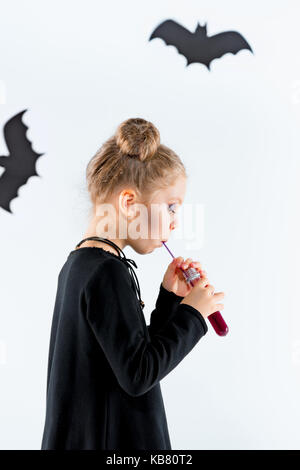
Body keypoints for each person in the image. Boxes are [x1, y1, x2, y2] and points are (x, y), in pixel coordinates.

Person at [40, 117, 225, 450]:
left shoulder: (80, 265)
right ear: (129, 204)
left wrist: (170, 300)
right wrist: (193, 316)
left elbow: (130, 356)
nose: (174, 222)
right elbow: (138, 375)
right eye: (170, 207)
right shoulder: (106, 272)